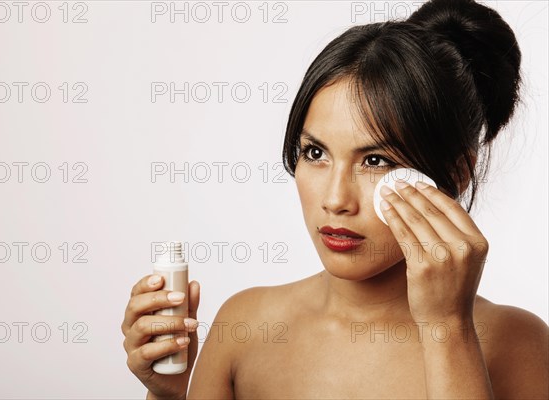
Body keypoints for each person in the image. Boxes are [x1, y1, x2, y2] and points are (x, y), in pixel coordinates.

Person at [122, 0, 549, 398]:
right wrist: (166, 394)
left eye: (376, 160)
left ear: (455, 174)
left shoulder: (518, 343)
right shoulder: (246, 324)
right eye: (315, 153)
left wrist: (447, 329)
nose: (335, 199)